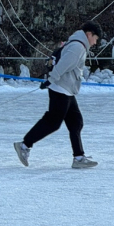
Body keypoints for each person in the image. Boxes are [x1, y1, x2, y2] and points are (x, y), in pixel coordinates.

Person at [14, 21, 102, 169]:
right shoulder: (78, 46)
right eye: (95, 38)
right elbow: (64, 64)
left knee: (76, 122)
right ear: (89, 34)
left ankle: (79, 157)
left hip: (66, 88)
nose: (95, 43)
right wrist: (51, 79)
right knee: (53, 122)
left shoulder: (76, 43)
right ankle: (24, 145)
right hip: (61, 87)